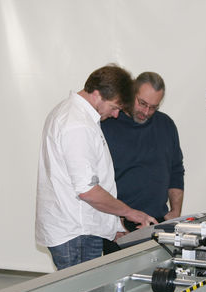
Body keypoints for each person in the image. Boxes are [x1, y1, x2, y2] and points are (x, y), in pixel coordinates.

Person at [35, 65, 158, 270]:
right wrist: (130, 213)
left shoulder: (72, 114)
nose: (117, 114)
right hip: (77, 233)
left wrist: (112, 226)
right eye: (115, 107)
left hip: (79, 229)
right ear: (98, 94)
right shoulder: (77, 124)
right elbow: (88, 191)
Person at [101, 72, 185, 253]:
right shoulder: (107, 124)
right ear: (131, 93)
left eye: (153, 107)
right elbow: (97, 182)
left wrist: (175, 211)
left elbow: (176, 170)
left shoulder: (166, 125)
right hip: (120, 228)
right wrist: (115, 223)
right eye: (142, 103)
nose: (146, 112)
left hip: (158, 224)